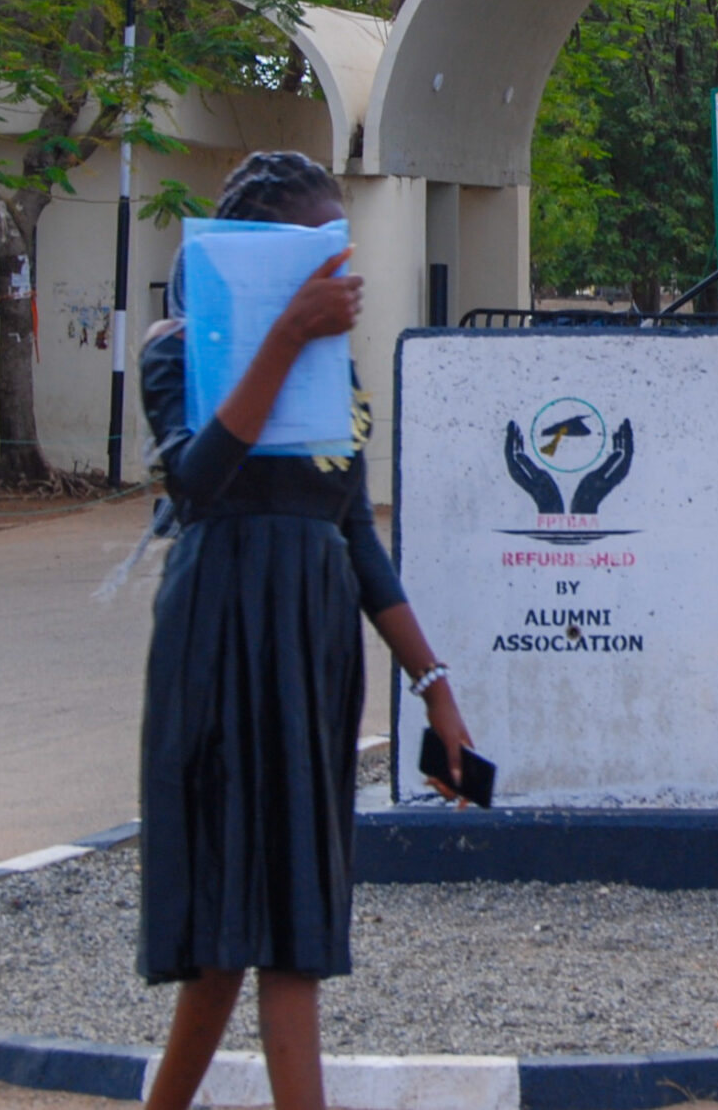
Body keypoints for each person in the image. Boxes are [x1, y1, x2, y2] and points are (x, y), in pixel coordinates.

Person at [138, 151, 474, 1110]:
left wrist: (435, 688)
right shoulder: (179, 348)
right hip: (220, 634)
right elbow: (197, 482)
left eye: (341, 249)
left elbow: (356, 534)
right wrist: (285, 335)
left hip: (313, 642)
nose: (340, 270)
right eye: (315, 250)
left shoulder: (336, 372)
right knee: (226, 915)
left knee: (295, 914)